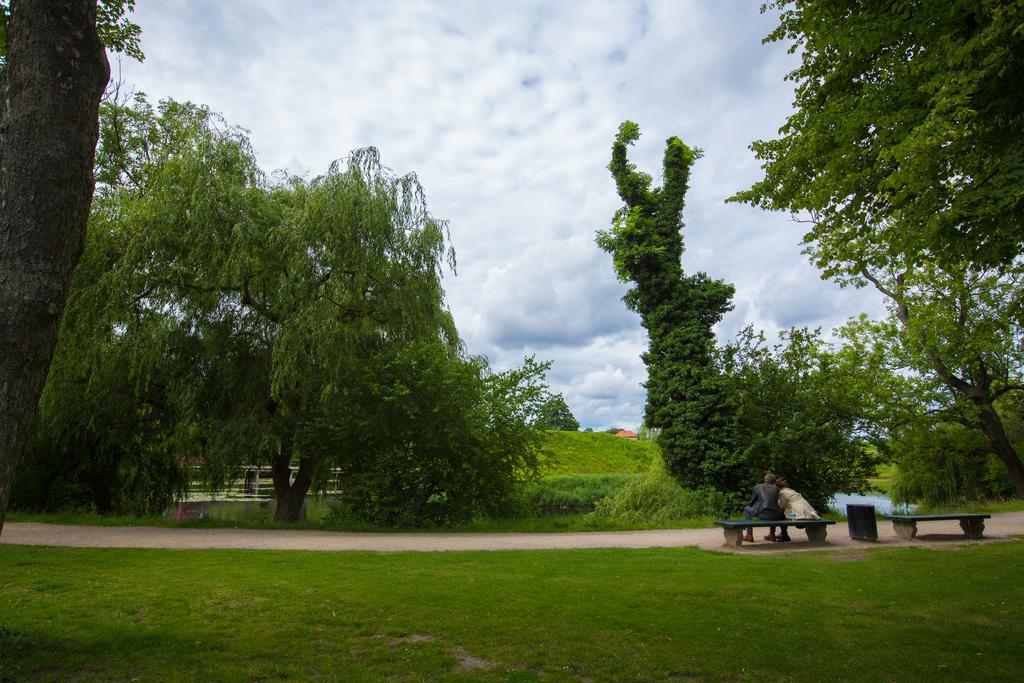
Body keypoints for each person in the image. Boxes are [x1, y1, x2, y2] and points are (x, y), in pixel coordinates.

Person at [772, 478, 821, 542]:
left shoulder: (782, 493)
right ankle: (783, 534)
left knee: (781, 515)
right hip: (808, 512)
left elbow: (781, 506)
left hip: (799, 514)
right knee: (783, 513)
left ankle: (784, 535)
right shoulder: (789, 490)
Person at [743, 473, 784, 542]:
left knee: (747, 509)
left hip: (763, 514)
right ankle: (772, 534)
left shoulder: (757, 487)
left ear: (765, 480)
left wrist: (755, 506)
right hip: (776, 515)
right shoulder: (777, 489)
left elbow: (751, 503)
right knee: (773, 509)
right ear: (774, 481)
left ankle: (749, 534)